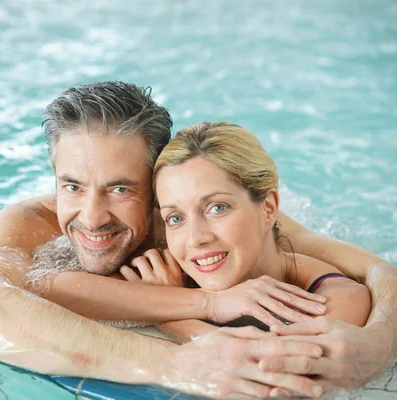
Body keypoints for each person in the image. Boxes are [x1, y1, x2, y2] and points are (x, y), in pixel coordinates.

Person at [0, 82, 397, 399]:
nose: (92, 217)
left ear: (157, 188)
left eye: (121, 188)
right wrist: (194, 316)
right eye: (72, 185)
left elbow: (371, 270)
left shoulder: (194, 220)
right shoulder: (28, 224)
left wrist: (380, 342)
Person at [117, 121, 370, 344]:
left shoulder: (337, 294)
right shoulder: (165, 271)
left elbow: (276, 363)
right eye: (175, 218)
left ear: (269, 208)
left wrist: (167, 312)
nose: (195, 239)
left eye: (217, 208)